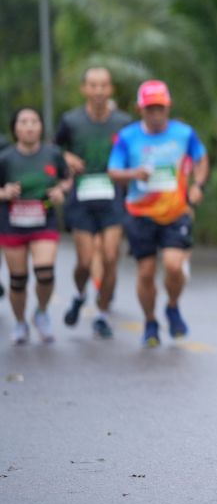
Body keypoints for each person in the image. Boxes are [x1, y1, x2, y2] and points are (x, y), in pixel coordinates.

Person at [107, 80, 209, 348]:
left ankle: (172, 307)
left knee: (174, 266)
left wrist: (198, 185)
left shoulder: (184, 133)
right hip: (140, 213)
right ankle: (150, 321)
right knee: (146, 273)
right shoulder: (128, 137)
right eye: (150, 109)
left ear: (168, 108)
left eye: (160, 108)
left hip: (175, 212)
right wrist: (134, 174)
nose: (155, 114)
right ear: (141, 109)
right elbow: (113, 171)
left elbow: (200, 159)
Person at [55, 68, 133, 338]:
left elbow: (135, 153)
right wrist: (66, 158)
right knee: (85, 262)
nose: (98, 91)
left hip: (112, 198)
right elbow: (52, 151)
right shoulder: (71, 121)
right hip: (82, 199)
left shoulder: (123, 123)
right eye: (93, 85)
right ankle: (79, 294)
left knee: (110, 258)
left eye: (103, 86)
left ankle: (101, 313)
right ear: (84, 89)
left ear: (111, 89)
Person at [1, 107, 71, 345]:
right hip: (12, 223)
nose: (29, 126)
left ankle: (41, 312)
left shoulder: (53, 153)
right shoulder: (6, 158)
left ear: (41, 126)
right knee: (18, 279)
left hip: (44, 220)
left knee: (45, 273)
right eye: (23, 122)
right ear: (15, 128)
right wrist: (4, 193)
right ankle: (20, 322)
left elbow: (67, 178)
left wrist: (60, 190)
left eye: (34, 121)